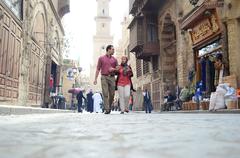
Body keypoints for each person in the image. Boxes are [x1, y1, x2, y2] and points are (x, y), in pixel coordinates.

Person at [93, 45, 118, 114]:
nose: (114, 51)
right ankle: (107, 109)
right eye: (113, 49)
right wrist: (95, 79)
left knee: (112, 94)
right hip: (104, 77)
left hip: (112, 78)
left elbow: (118, 69)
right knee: (105, 93)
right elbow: (98, 69)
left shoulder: (115, 59)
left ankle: (109, 106)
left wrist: (114, 69)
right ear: (108, 50)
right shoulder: (101, 58)